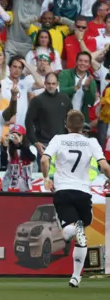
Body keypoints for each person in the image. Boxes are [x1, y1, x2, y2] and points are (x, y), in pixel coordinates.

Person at [41, 110, 110, 288]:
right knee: (82, 236)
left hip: (64, 191)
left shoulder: (58, 139)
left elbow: (44, 160)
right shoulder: (91, 142)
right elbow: (104, 166)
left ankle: (74, 229)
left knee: (66, 232)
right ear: (82, 126)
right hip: (84, 193)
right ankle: (75, 276)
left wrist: (46, 178)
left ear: (67, 124)